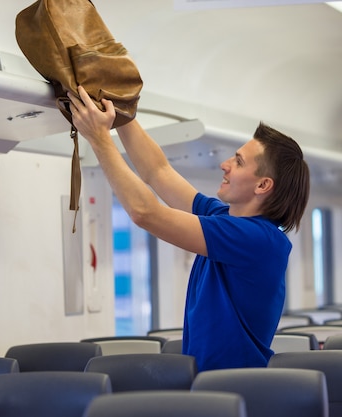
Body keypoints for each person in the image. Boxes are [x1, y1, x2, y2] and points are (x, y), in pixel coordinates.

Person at [68, 85, 310, 371]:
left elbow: (145, 213)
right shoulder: (226, 219)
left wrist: (99, 139)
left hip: (237, 390)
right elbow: (158, 171)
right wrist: (122, 110)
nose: (225, 164)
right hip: (209, 386)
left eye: (239, 161)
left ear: (262, 185)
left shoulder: (259, 240)